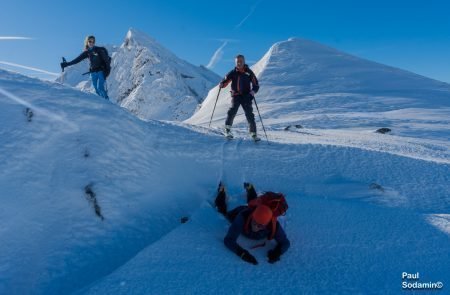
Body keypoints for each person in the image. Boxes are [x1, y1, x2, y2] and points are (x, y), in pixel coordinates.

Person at [215, 182, 290, 265]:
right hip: (243, 210)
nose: (255, 227)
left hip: (256, 209)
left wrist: (277, 252)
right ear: (252, 217)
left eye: (260, 225)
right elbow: (228, 240)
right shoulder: (242, 217)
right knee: (224, 213)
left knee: (253, 202)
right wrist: (242, 253)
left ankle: (250, 189)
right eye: (254, 222)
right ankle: (222, 192)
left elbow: (285, 243)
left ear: (266, 224)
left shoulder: (272, 225)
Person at [219, 54, 260, 141]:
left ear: (244, 61)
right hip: (236, 95)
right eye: (237, 61)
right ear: (235, 62)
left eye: (241, 61)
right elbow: (225, 81)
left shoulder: (249, 72)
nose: (239, 63)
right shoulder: (233, 73)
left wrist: (252, 93)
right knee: (232, 111)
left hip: (246, 96)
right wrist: (222, 84)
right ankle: (227, 130)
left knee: (249, 115)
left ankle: (253, 134)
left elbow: (256, 85)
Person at [60, 35, 110, 99]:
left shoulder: (99, 50)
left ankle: (107, 103)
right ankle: (104, 105)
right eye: (90, 41)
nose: (91, 43)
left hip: (100, 72)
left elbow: (107, 61)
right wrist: (67, 64)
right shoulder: (87, 52)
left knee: (100, 88)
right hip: (93, 73)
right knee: (97, 90)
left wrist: (107, 72)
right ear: (87, 42)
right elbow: (77, 60)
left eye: (93, 41)